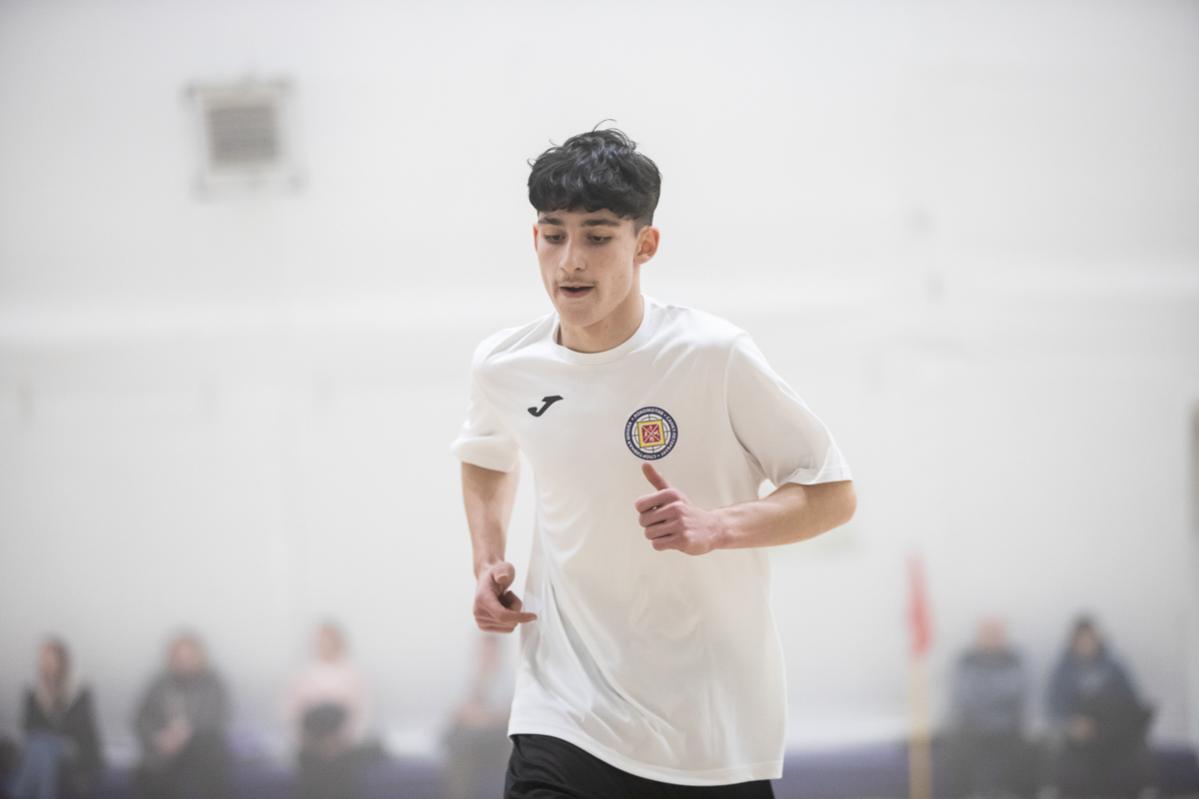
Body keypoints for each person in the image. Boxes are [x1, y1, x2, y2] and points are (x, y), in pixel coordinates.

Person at [450, 127, 857, 799]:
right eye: (552, 236)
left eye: (597, 237)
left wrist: (717, 527)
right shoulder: (504, 365)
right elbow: (486, 455)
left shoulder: (713, 355)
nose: (570, 261)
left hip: (707, 732)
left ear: (645, 245)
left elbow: (831, 493)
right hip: (563, 707)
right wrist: (486, 559)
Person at [1046, 616, 1154, 798]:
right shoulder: (1063, 671)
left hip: (1112, 737)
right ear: (1073, 641)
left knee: (1130, 762)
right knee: (1071, 768)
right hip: (1078, 740)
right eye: (1081, 639)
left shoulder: (1114, 668)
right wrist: (1070, 725)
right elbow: (1054, 707)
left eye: (1090, 638)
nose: (1086, 643)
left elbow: (1131, 703)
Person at [132, 631, 233, 799]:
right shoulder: (159, 684)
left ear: (200, 657)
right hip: (164, 751)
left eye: (188, 658)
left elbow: (217, 718)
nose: (183, 663)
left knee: (213, 757)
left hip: (202, 750)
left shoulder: (213, 683)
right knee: (149, 772)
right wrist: (158, 738)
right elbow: (141, 719)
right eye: (178, 658)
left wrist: (186, 734)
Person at [5, 638, 103, 799]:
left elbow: (80, 730)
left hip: (72, 749)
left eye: (51, 659)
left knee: (43, 746)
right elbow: (27, 728)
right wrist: (44, 700)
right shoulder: (33, 692)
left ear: (62, 661)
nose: (47, 664)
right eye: (44, 660)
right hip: (42, 750)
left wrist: (54, 709)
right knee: (42, 747)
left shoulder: (79, 691)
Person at [945, 618, 1033, 798]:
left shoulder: (1014, 660)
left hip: (1007, 727)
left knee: (1025, 753)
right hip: (974, 727)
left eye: (996, 634)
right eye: (988, 634)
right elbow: (965, 695)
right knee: (957, 752)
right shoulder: (966, 661)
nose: (992, 639)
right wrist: (995, 700)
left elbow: (1018, 690)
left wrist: (993, 699)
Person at [283, 621, 371, 799]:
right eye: (321, 642)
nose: (325, 646)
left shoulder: (353, 675)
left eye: (329, 641)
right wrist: (308, 740)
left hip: (342, 752)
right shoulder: (302, 675)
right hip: (310, 751)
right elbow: (290, 712)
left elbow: (361, 713)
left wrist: (339, 742)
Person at [440, 634, 513, 799]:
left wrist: (482, 717)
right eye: (483, 652)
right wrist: (481, 682)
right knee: (458, 745)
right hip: (470, 741)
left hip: (497, 740)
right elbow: (458, 713)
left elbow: (507, 715)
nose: (487, 656)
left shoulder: (509, 679)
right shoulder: (466, 678)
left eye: (491, 652)